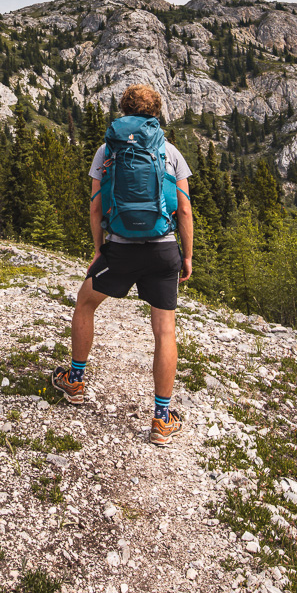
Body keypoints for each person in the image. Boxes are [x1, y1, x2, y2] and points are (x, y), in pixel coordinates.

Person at [52, 84, 193, 446]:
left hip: (119, 249)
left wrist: (99, 249)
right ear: (155, 112)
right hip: (162, 249)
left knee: (85, 304)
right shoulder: (169, 150)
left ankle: (76, 381)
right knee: (164, 331)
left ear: (123, 109)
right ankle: (161, 419)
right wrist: (187, 256)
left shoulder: (107, 149)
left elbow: (96, 206)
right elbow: (186, 209)